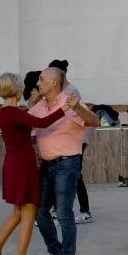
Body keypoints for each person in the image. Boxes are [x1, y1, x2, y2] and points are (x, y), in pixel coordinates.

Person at [0, 73, 74, 255]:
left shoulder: (1, 111)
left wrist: (32, 104)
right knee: (28, 213)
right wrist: (64, 109)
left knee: (18, 212)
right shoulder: (15, 113)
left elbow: (20, 120)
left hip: (11, 163)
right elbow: (42, 123)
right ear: (17, 89)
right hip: (23, 165)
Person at [31, 67, 99, 255]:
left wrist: (77, 108)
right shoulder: (39, 107)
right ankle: (55, 251)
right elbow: (27, 127)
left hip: (67, 164)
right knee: (40, 212)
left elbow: (94, 121)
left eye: (42, 79)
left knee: (63, 212)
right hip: (46, 165)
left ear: (54, 82)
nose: (38, 83)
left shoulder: (70, 101)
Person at [48, 60, 93, 224]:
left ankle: (85, 211)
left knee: (75, 175)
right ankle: (57, 208)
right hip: (66, 139)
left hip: (77, 139)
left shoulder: (70, 91)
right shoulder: (60, 90)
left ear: (60, 74)